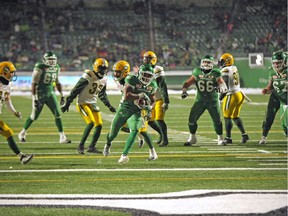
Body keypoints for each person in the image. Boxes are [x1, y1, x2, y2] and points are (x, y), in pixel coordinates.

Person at [103, 63, 158, 164]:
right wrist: (139, 96)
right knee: (113, 134)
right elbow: (127, 96)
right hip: (125, 108)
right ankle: (108, 143)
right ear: (139, 73)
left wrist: (150, 107)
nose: (146, 77)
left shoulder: (153, 84)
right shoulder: (131, 79)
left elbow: (153, 100)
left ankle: (124, 155)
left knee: (135, 130)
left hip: (137, 111)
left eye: (149, 75)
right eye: (145, 74)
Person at [61, 58, 116, 154]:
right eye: (101, 68)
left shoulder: (104, 79)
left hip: (93, 103)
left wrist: (109, 106)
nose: (103, 70)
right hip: (82, 103)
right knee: (90, 123)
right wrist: (68, 102)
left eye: (104, 68)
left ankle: (91, 147)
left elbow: (102, 94)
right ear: (95, 67)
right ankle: (80, 146)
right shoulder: (88, 76)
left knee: (99, 125)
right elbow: (75, 90)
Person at [18, 51, 71, 144]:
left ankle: (62, 137)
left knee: (58, 114)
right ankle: (22, 133)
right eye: (50, 60)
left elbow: (57, 82)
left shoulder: (57, 67)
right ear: (44, 60)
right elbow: (34, 84)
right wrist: (34, 98)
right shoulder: (39, 67)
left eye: (53, 60)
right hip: (40, 94)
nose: (52, 62)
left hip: (50, 93)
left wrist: (62, 94)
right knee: (34, 116)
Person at [181, 55, 228, 146]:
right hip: (200, 100)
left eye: (208, 62)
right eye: (205, 62)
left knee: (217, 120)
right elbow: (187, 83)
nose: (206, 64)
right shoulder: (197, 71)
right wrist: (184, 91)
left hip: (213, 101)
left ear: (212, 63)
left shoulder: (216, 72)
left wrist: (222, 88)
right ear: (202, 63)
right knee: (191, 120)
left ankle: (220, 139)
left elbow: (222, 83)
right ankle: (192, 137)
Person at [0, 61, 33, 164]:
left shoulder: (7, 85)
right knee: (8, 132)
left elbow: (7, 101)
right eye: (11, 72)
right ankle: (21, 157)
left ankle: (21, 157)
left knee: (8, 132)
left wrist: (14, 112)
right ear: (4, 71)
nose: (13, 74)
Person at [218, 53, 250, 144]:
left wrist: (220, 98)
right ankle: (244, 135)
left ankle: (228, 138)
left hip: (231, 95)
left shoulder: (226, 69)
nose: (221, 63)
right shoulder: (234, 67)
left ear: (227, 61)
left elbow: (226, 87)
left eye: (222, 61)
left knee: (227, 117)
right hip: (239, 94)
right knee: (235, 116)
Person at [142, 51, 170, 147]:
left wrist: (166, 101)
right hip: (150, 99)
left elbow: (163, 86)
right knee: (150, 120)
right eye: (145, 58)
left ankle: (165, 139)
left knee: (159, 119)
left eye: (149, 59)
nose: (147, 60)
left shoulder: (157, 69)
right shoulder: (143, 69)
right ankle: (161, 134)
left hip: (159, 98)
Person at [259, 51, 288, 144]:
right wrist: (266, 90)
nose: (276, 65)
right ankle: (263, 137)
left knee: (285, 124)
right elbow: (270, 86)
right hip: (276, 95)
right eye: (275, 62)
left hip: (286, 98)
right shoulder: (272, 71)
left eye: (279, 62)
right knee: (269, 116)